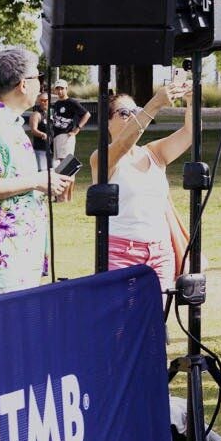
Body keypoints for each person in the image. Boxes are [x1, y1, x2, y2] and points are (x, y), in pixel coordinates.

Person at [0, 46, 70, 295]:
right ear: (22, 84)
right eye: (38, 78)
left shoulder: (6, 122)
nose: (41, 85)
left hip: (15, 257)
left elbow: (11, 184)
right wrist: (35, 181)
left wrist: (46, 186)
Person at [91, 72, 196, 291]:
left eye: (135, 111)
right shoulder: (101, 157)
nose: (132, 116)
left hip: (160, 253)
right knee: (124, 322)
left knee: (157, 321)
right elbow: (123, 145)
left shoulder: (153, 153)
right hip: (121, 253)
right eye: (123, 113)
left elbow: (189, 133)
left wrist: (191, 99)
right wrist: (156, 102)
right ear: (106, 122)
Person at [47, 80, 90, 171]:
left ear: (66, 89)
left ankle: (69, 184)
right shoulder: (57, 104)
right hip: (56, 136)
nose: (60, 91)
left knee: (66, 163)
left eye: (62, 88)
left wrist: (77, 129)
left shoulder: (71, 102)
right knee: (60, 163)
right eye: (57, 89)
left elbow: (87, 114)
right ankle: (66, 184)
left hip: (65, 135)